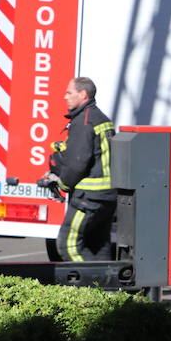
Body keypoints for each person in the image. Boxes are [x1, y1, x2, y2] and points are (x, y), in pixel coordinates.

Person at [45, 77, 117, 262]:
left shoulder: (83, 122)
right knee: (98, 246)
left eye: (69, 93)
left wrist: (63, 183)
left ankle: (86, 288)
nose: (65, 97)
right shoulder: (100, 118)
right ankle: (107, 289)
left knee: (67, 245)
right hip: (107, 197)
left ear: (83, 95)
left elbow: (78, 162)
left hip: (89, 197)